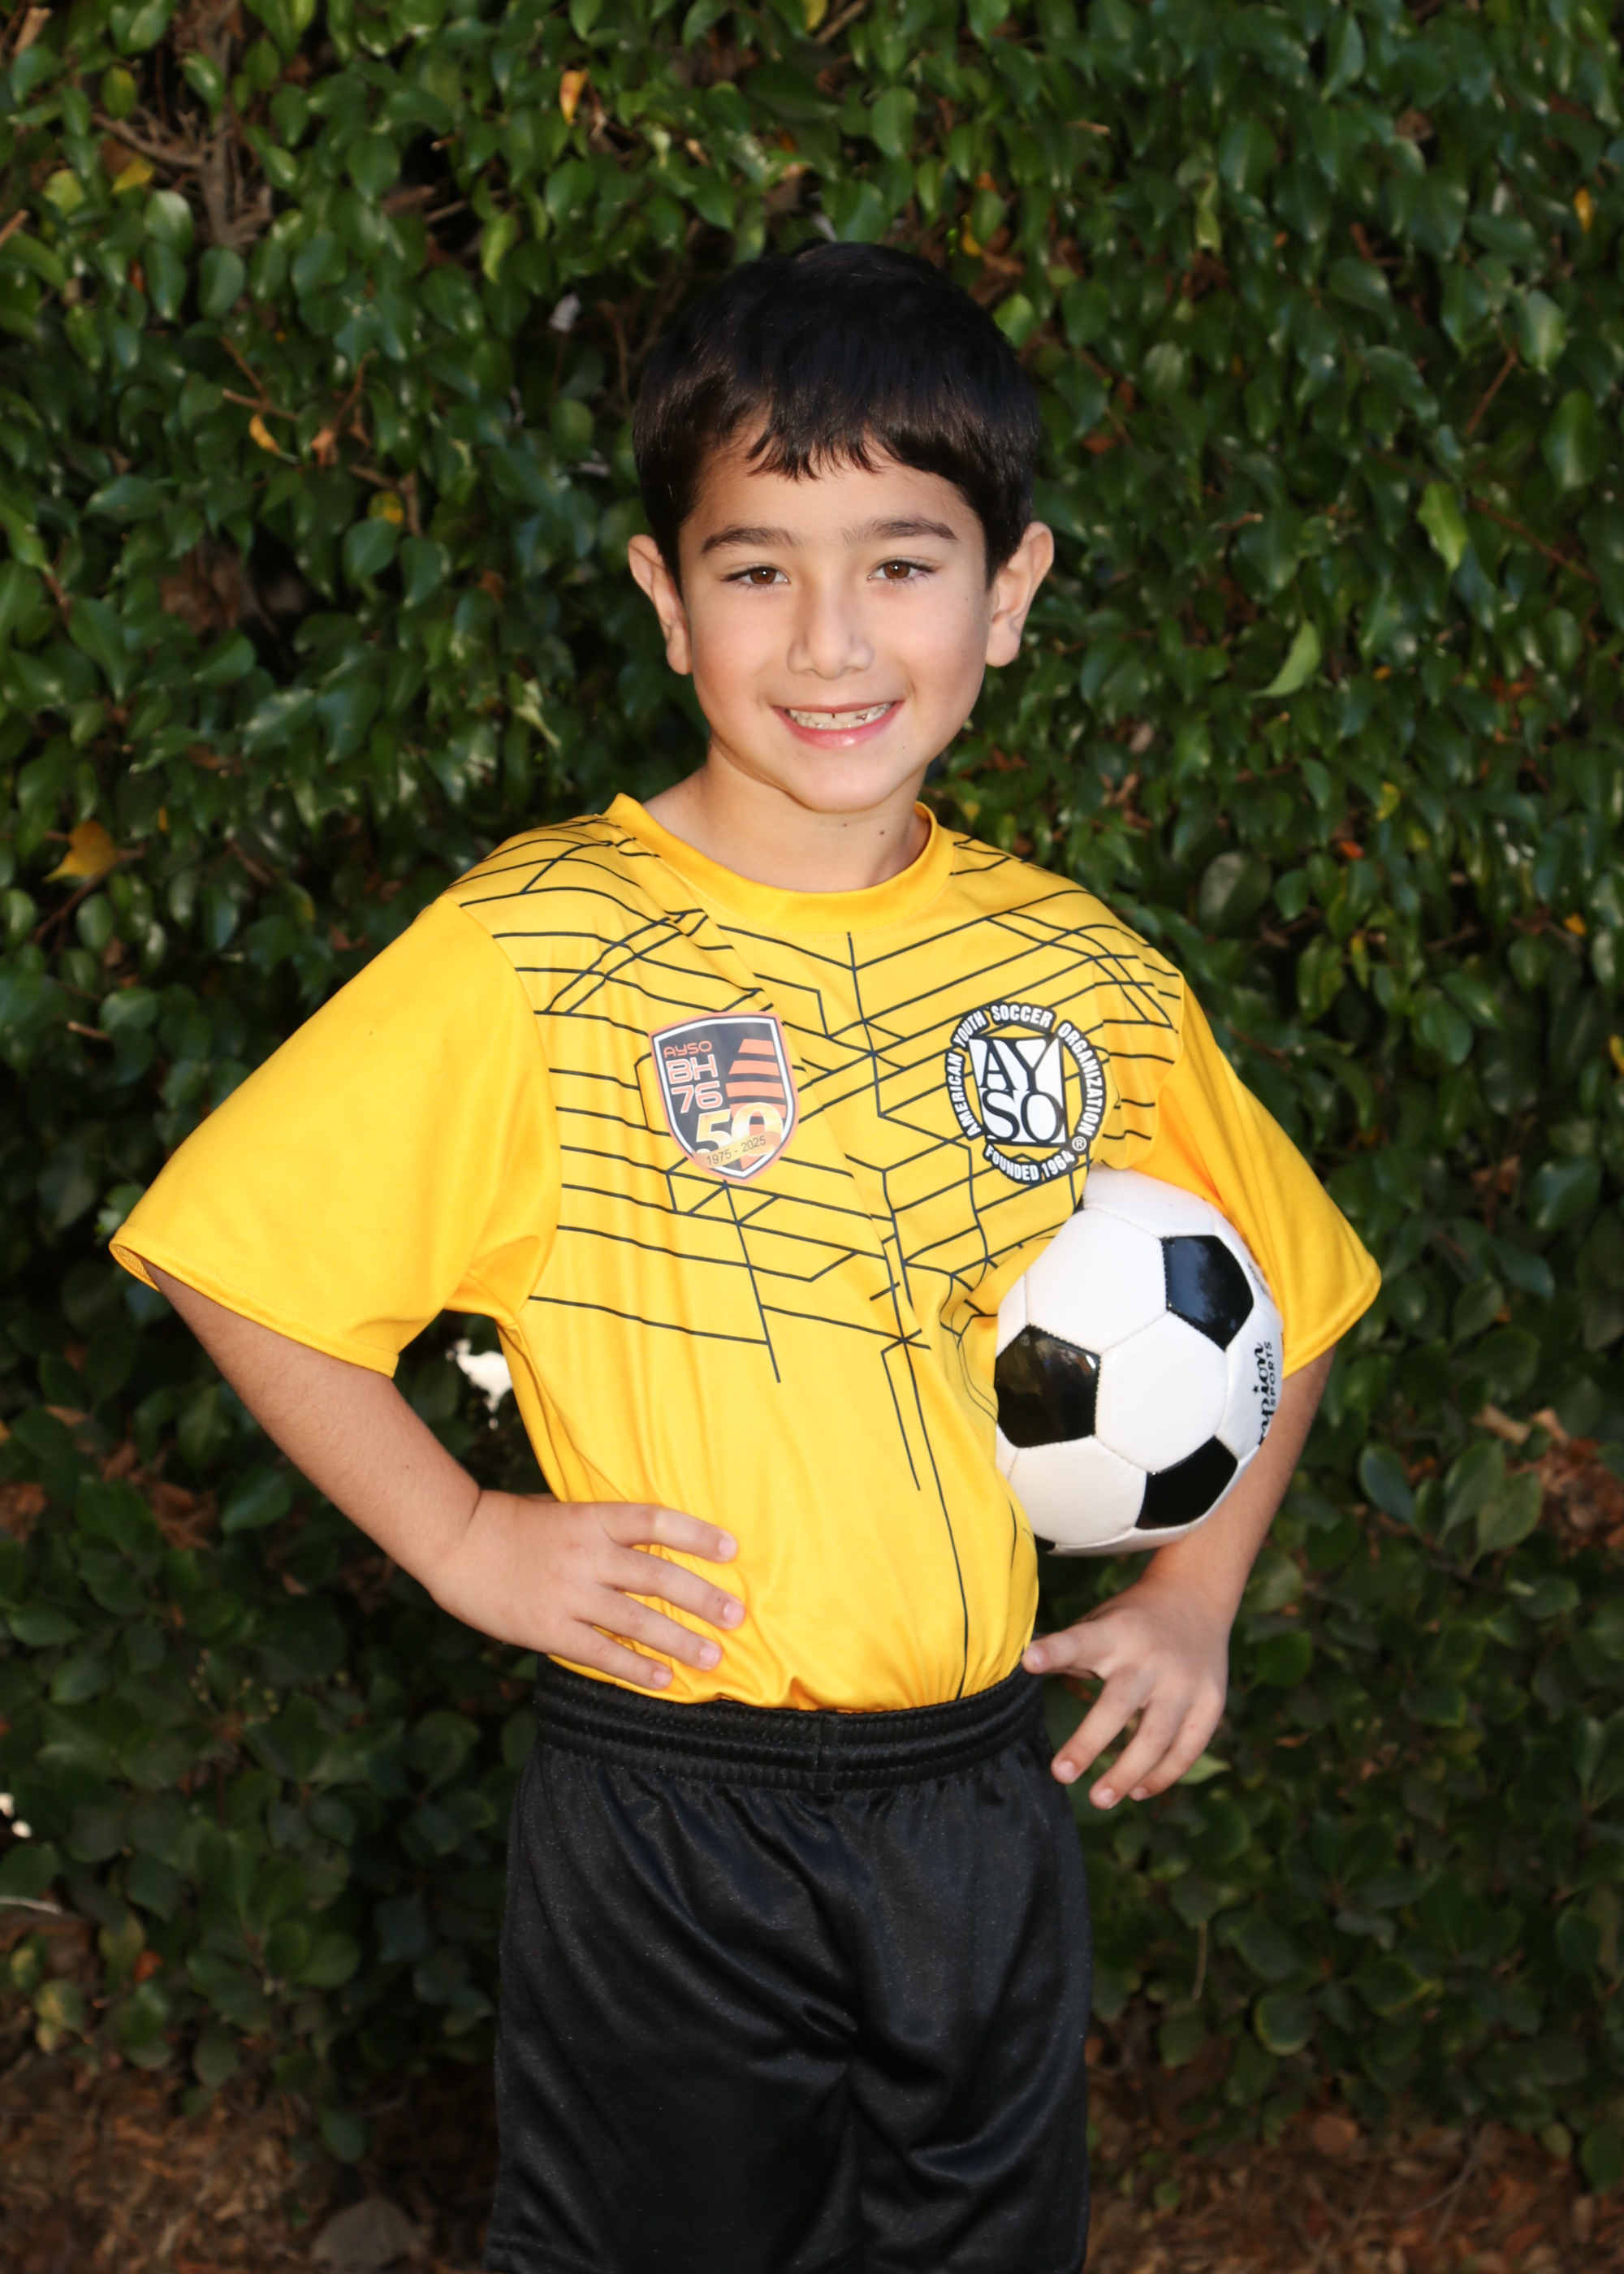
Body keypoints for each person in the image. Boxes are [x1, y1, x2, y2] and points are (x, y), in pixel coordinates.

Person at [113, 243, 1378, 2274]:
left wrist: (1194, 1593)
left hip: (975, 1798)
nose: (830, 637)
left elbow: (1281, 1289)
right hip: (671, 1812)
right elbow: (234, 1254)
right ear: (664, 599)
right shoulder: (539, 946)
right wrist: (461, 1537)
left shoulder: (1077, 973)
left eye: (902, 562)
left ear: (1012, 592)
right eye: (758, 565)